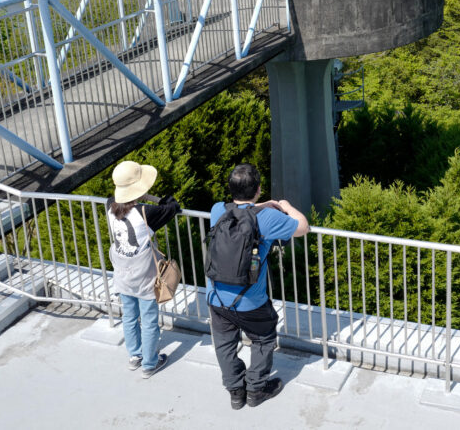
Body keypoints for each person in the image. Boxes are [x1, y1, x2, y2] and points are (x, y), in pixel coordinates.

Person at [206, 163, 309, 410]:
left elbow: (241, 208)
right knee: (263, 339)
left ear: (231, 189)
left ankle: (235, 391)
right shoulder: (269, 218)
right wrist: (286, 206)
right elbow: (303, 227)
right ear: (259, 189)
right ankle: (255, 389)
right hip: (250, 299)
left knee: (224, 343)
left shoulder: (217, 210)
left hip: (216, 297)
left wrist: (259, 205)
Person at [107, 160, 181, 379]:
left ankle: (135, 356)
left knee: (129, 317)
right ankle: (150, 364)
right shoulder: (145, 213)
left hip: (122, 274)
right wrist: (151, 197)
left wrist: (137, 195)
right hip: (145, 276)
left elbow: (117, 198)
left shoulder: (110, 205)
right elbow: (172, 206)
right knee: (149, 320)